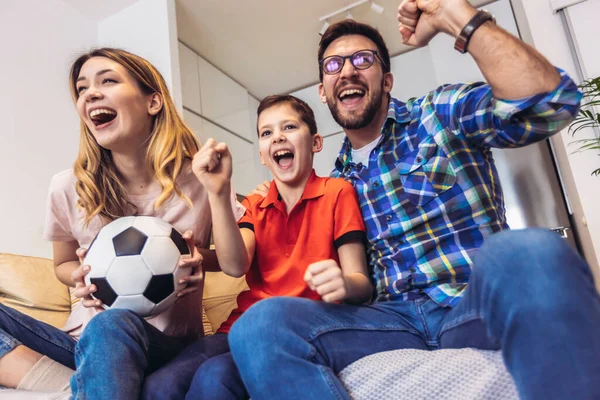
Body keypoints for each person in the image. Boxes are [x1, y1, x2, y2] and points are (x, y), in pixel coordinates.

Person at [227, 1, 600, 400]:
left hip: (469, 302)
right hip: (387, 322)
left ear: (386, 80)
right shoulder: (333, 185)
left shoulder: (437, 114)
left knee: (527, 249)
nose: (348, 70)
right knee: (260, 324)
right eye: (334, 65)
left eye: (363, 59)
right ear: (323, 92)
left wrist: (458, 18)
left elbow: (550, 104)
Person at [0, 47, 244, 400]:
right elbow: (63, 264)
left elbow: (235, 264)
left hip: (165, 347)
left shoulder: (202, 177)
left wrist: (197, 252)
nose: (90, 94)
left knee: (113, 323)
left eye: (108, 81)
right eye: (82, 89)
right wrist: (80, 274)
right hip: (83, 343)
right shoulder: (69, 186)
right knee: (103, 327)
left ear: (153, 102)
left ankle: (86, 385)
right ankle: (74, 384)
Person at [142, 94, 372, 400]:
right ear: (263, 156)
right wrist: (219, 192)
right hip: (241, 325)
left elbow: (362, 284)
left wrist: (344, 283)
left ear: (316, 143)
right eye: (266, 133)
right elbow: (235, 265)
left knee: (214, 379)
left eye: (289, 127)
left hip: (302, 325)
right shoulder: (254, 204)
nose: (277, 137)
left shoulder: (337, 193)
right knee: (160, 385)